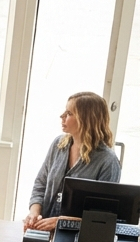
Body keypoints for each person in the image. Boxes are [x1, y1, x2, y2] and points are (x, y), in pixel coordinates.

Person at [24, 91, 121, 231]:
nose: (62, 117)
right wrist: (34, 213)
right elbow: (41, 184)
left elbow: (102, 216)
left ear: (86, 120)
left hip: (77, 240)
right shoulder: (58, 144)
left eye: (69, 114)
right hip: (43, 231)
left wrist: (61, 222)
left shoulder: (108, 161)